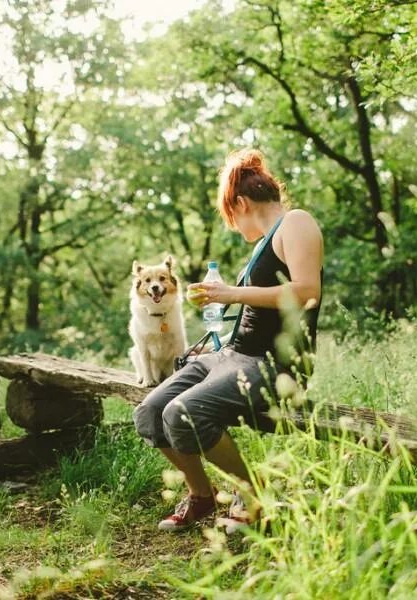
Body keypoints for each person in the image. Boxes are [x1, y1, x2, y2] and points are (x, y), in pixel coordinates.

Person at [132, 148, 324, 533]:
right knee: (150, 412)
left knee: (182, 413)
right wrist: (216, 343)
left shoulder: (296, 223)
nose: (234, 227)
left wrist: (230, 295)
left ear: (241, 203)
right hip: (235, 355)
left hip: (274, 365)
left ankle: (253, 491)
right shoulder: (261, 245)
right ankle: (202, 496)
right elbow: (258, 314)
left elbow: (306, 291)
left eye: (231, 217)